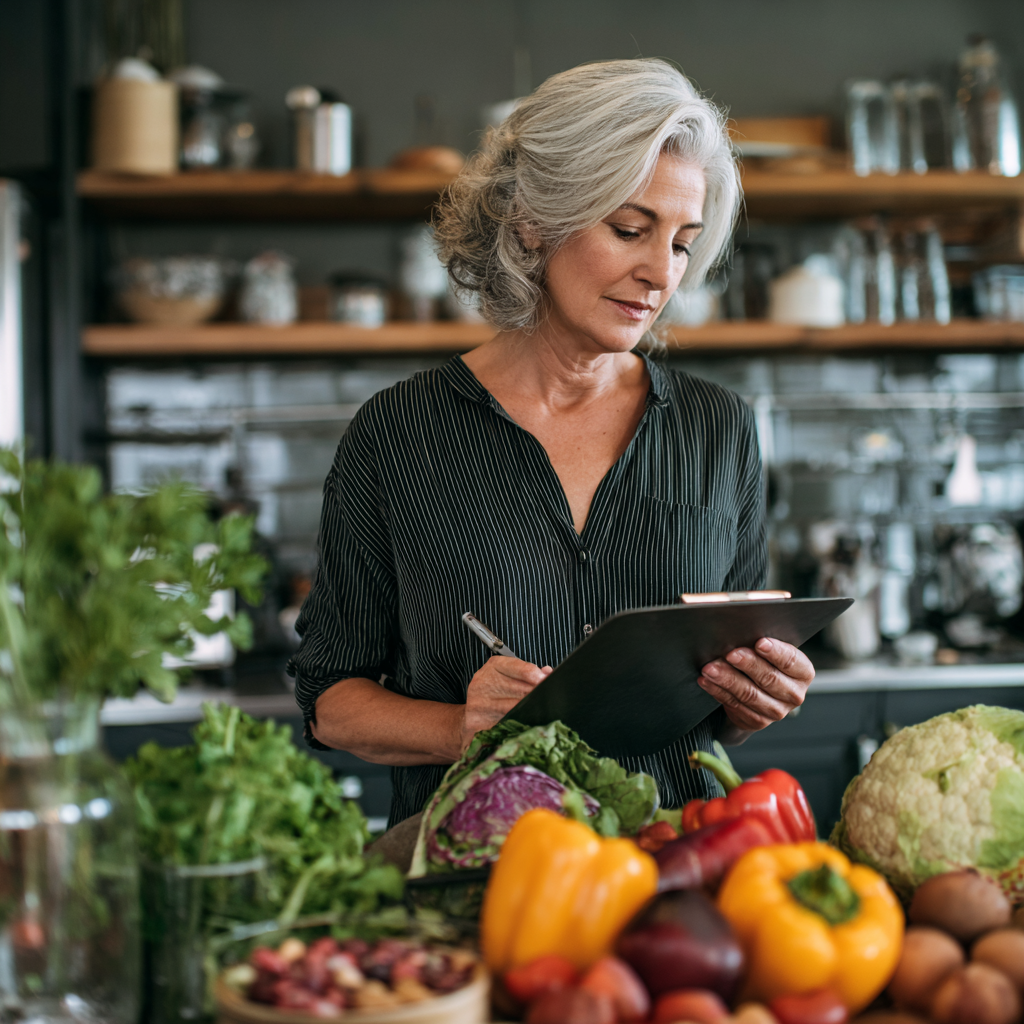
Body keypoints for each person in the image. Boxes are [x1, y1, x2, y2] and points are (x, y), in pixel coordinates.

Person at [290, 58, 815, 827]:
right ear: (534, 221)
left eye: (680, 243)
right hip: (482, 880)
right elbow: (330, 701)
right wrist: (460, 727)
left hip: (678, 874)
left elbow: (722, 694)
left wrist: (754, 699)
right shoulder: (397, 435)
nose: (659, 273)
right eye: (629, 229)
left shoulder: (719, 430)